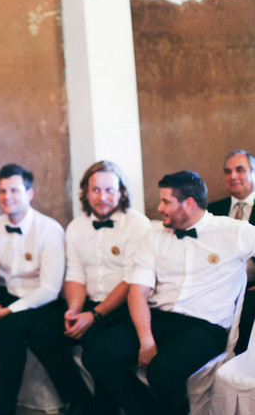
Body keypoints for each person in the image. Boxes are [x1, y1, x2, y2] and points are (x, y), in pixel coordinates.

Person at [83, 170, 255, 415]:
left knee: (161, 373)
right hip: (159, 317)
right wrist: (146, 339)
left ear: (189, 203)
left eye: (166, 201)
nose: (159, 207)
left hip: (205, 327)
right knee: (96, 354)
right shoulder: (153, 238)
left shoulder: (234, 232)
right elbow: (137, 292)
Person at [25, 161, 150, 414]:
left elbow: (130, 279)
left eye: (109, 190)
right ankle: (81, 400)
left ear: (122, 192)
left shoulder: (137, 224)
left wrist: (93, 316)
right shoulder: (76, 227)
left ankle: (106, 409)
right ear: (85, 192)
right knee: (40, 334)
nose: (102, 197)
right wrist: (74, 310)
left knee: (96, 344)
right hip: (88, 303)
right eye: (95, 190)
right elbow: (75, 275)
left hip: (127, 306)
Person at [0, 163, 66, 415]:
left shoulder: (49, 229)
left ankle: (3, 409)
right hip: (9, 293)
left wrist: (3, 313)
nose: (7, 197)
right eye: (2, 191)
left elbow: (50, 288)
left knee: (10, 327)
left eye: (14, 191)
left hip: (42, 300)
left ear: (30, 193)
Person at [207, 149, 255, 355]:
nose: (233, 176)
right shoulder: (212, 210)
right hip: (217, 284)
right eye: (228, 171)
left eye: (240, 170)